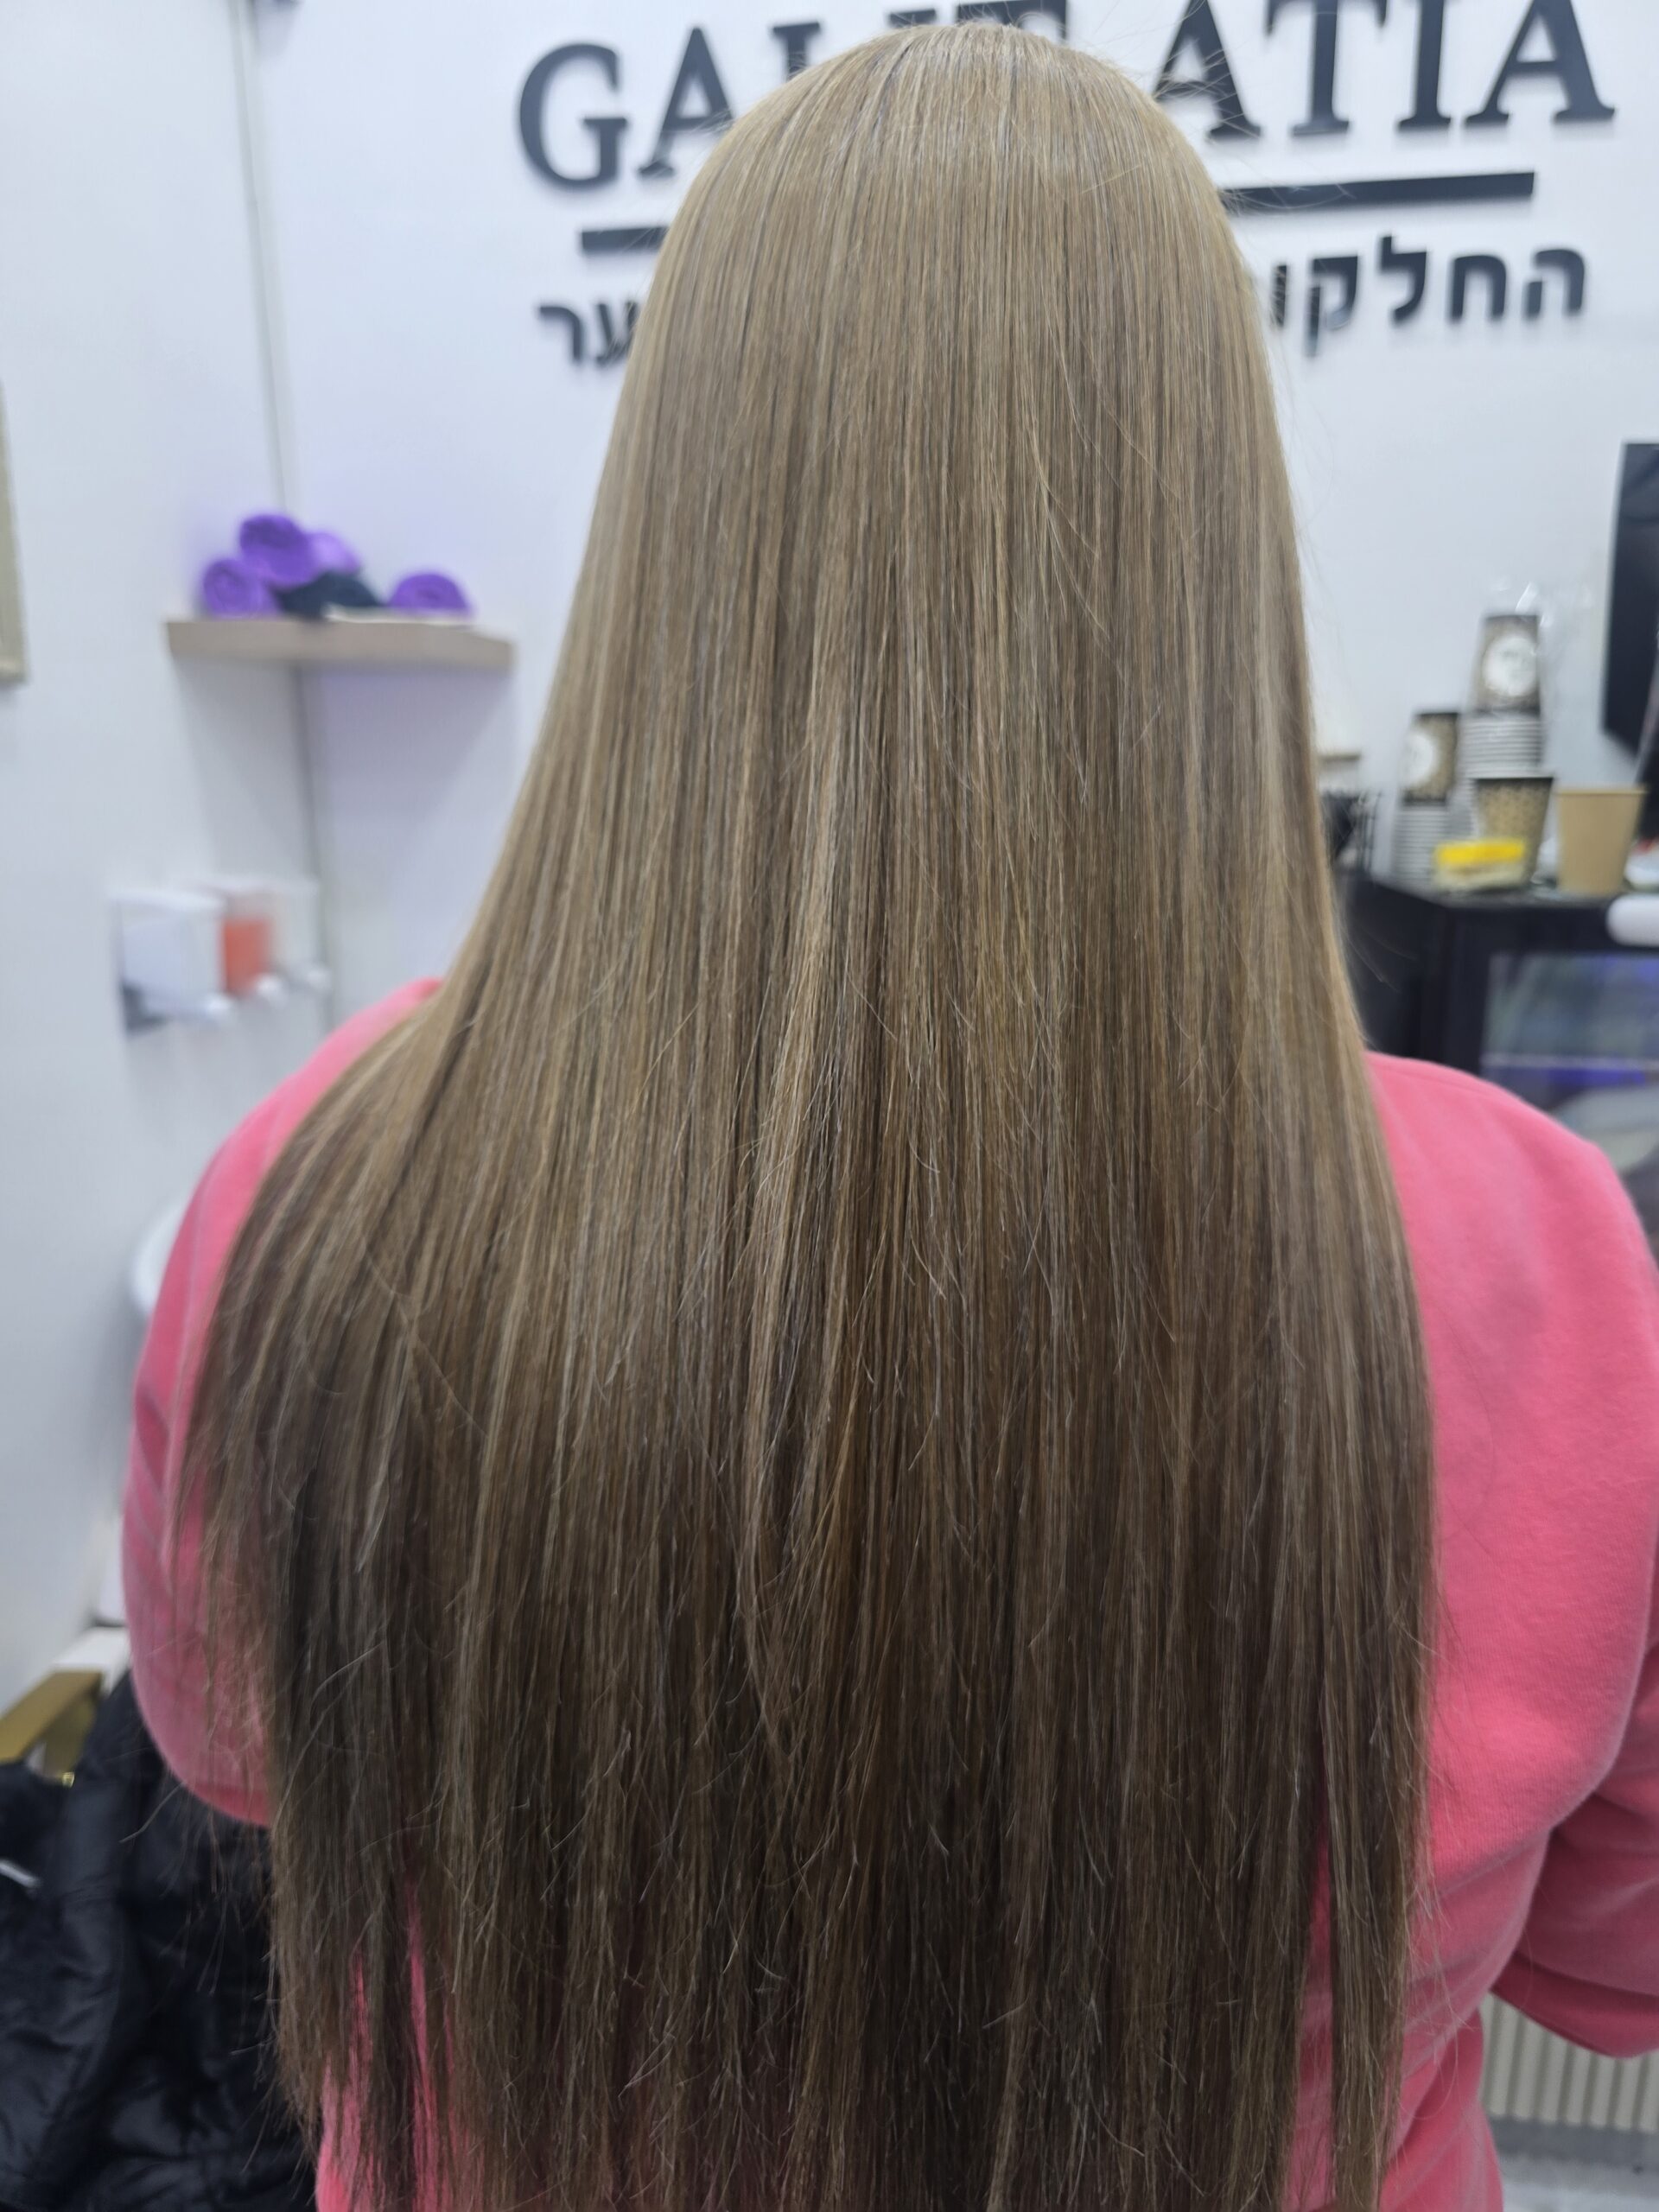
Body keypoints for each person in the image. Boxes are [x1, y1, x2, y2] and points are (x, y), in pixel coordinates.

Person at [124, 25, 1659, 2212]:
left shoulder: (322, 1189)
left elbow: (242, 1753)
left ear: (674, 516)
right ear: (1213, 541)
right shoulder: (1543, 1252)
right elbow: (1617, 1956)